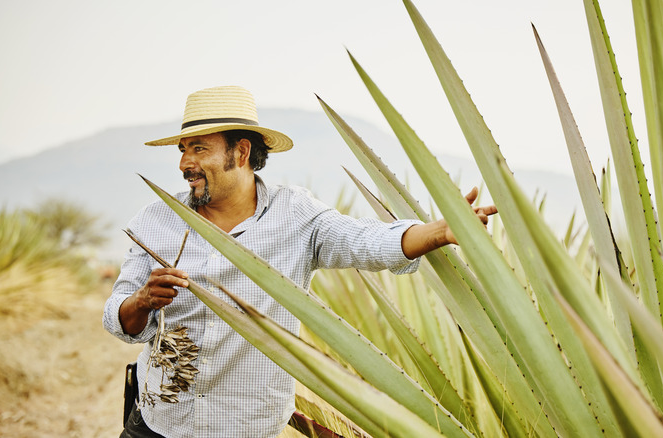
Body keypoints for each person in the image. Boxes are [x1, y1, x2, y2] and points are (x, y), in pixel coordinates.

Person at [103, 85, 497, 438]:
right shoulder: (155, 220)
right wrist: (141, 301)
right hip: (157, 424)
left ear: (240, 152)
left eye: (199, 148)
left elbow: (363, 240)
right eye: (184, 149)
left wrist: (439, 232)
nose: (184, 163)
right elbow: (116, 318)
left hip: (247, 428)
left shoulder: (295, 215)